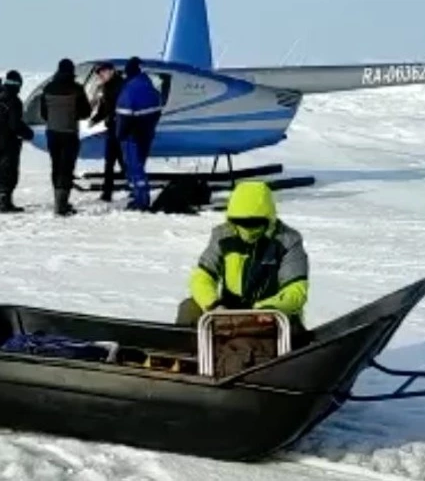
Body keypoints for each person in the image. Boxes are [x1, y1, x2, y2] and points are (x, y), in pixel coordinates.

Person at [174, 180, 310, 345]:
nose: (247, 228)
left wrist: (267, 309)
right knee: (189, 308)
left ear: (269, 217)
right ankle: (186, 360)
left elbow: (296, 290)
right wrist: (213, 305)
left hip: (269, 316)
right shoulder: (223, 236)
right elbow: (202, 276)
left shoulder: (288, 241)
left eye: (255, 222)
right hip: (227, 312)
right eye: (241, 222)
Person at [40, 58, 91, 215]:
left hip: (52, 133)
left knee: (56, 167)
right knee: (66, 168)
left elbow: (43, 114)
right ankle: (62, 205)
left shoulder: (48, 88)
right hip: (69, 133)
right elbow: (86, 112)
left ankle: (58, 201)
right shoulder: (77, 89)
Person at [0, 70, 34, 212]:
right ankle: (4, 201)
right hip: (9, 141)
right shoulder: (14, 100)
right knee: (8, 171)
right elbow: (14, 124)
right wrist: (28, 133)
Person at [115, 57, 162, 210]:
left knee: (134, 167)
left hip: (132, 136)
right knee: (140, 164)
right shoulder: (149, 86)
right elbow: (157, 111)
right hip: (147, 133)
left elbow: (124, 116)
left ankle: (141, 199)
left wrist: (120, 135)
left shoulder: (129, 90)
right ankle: (139, 195)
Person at [88, 62, 126, 201]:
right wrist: (95, 119)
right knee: (109, 162)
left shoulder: (121, 85)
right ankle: (107, 192)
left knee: (122, 160)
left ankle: (133, 188)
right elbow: (104, 108)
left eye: (102, 72)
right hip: (112, 128)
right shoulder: (106, 87)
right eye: (99, 73)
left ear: (111, 71)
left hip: (121, 128)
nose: (100, 75)